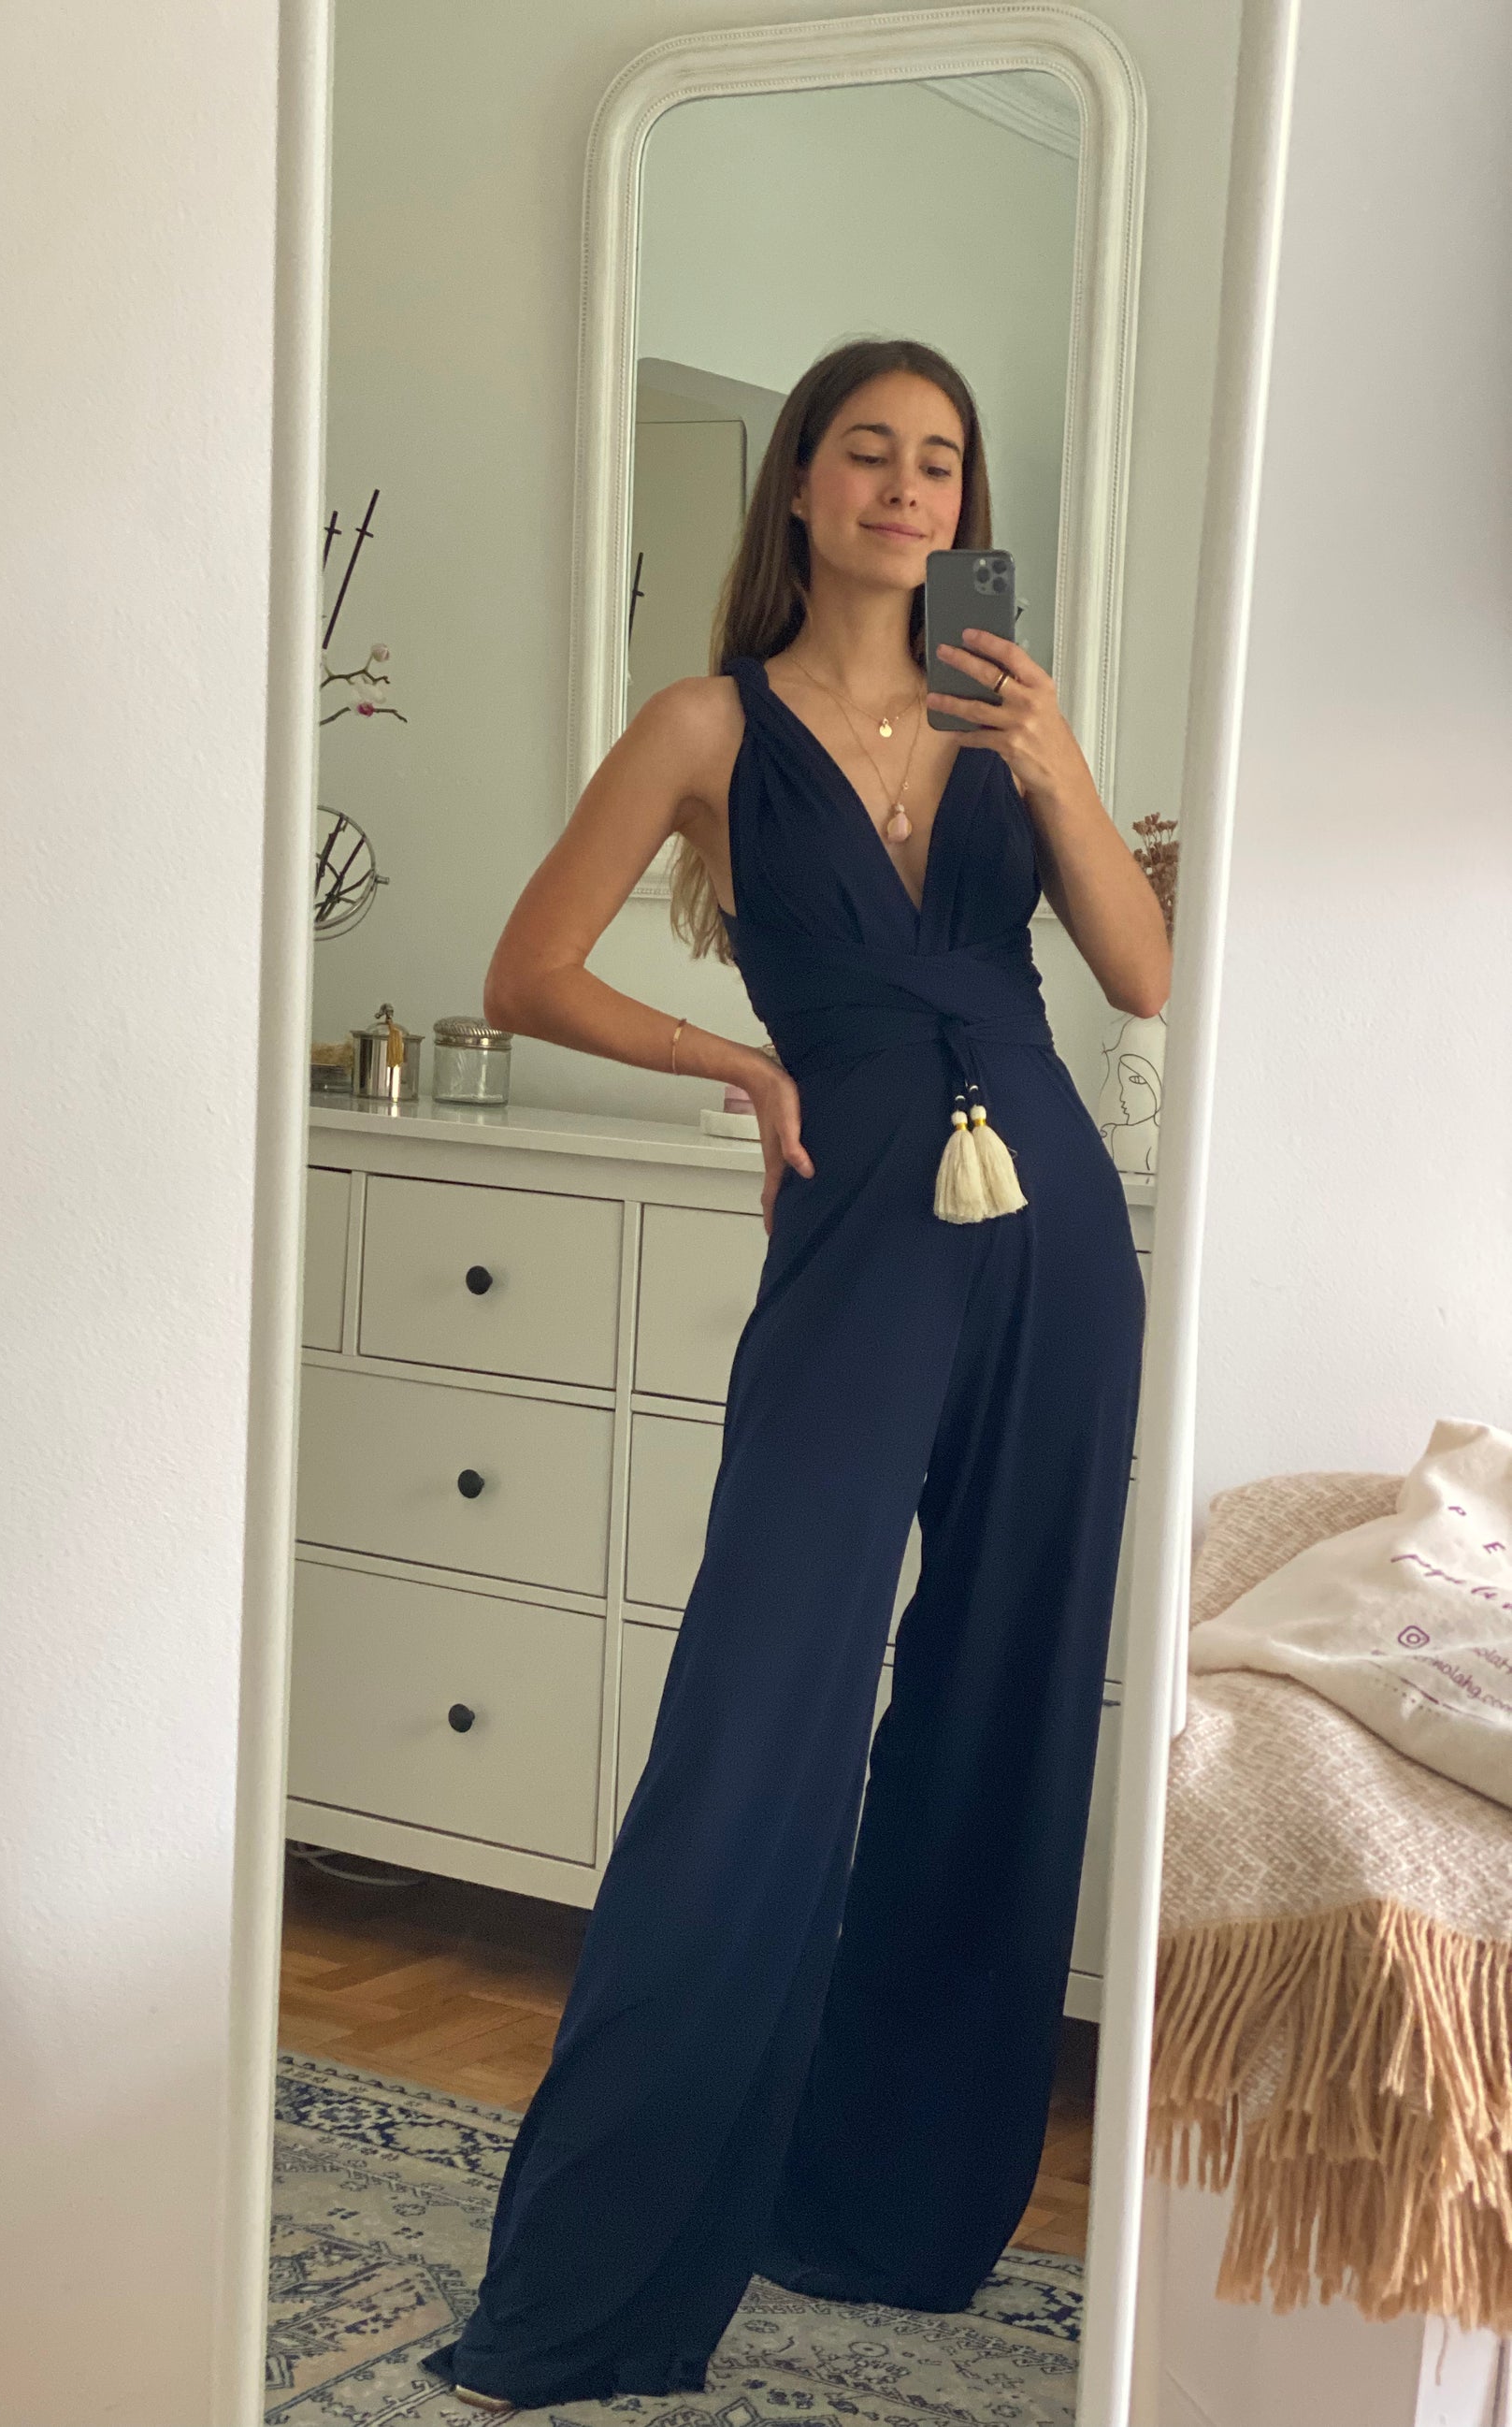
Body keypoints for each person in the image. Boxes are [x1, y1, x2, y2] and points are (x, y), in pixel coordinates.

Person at [418, 336, 1168, 2412]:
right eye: (868, 453)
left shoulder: (1007, 716)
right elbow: (526, 971)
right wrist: (744, 1067)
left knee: (1005, 1698)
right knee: (756, 1721)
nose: (908, 489)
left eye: (940, 461)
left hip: (1054, 1242)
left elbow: (1139, 972)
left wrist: (1058, 763)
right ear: (801, 487)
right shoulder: (704, 725)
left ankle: (887, 2206)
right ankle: (595, 2284)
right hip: (859, 1243)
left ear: (964, 504)